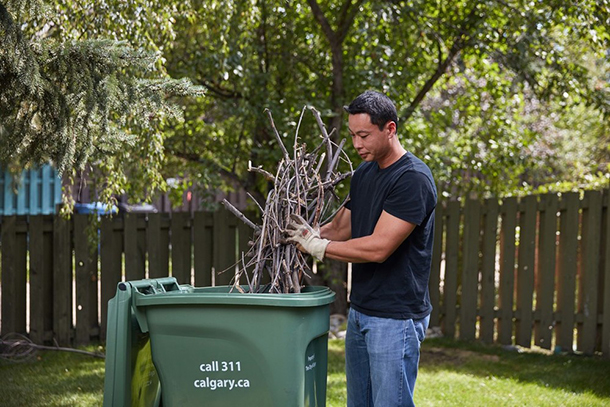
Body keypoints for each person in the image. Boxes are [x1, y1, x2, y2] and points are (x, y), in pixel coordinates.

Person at [286, 90, 437, 407]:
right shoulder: (365, 174)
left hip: (396, 318)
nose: (356, 144)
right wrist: (307, 234)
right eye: (353, 135)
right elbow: (342, 227)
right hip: (362, 311)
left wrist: (319, 247)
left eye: (364, 135)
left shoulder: (412, 179)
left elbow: (379, 248)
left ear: (390, 129)